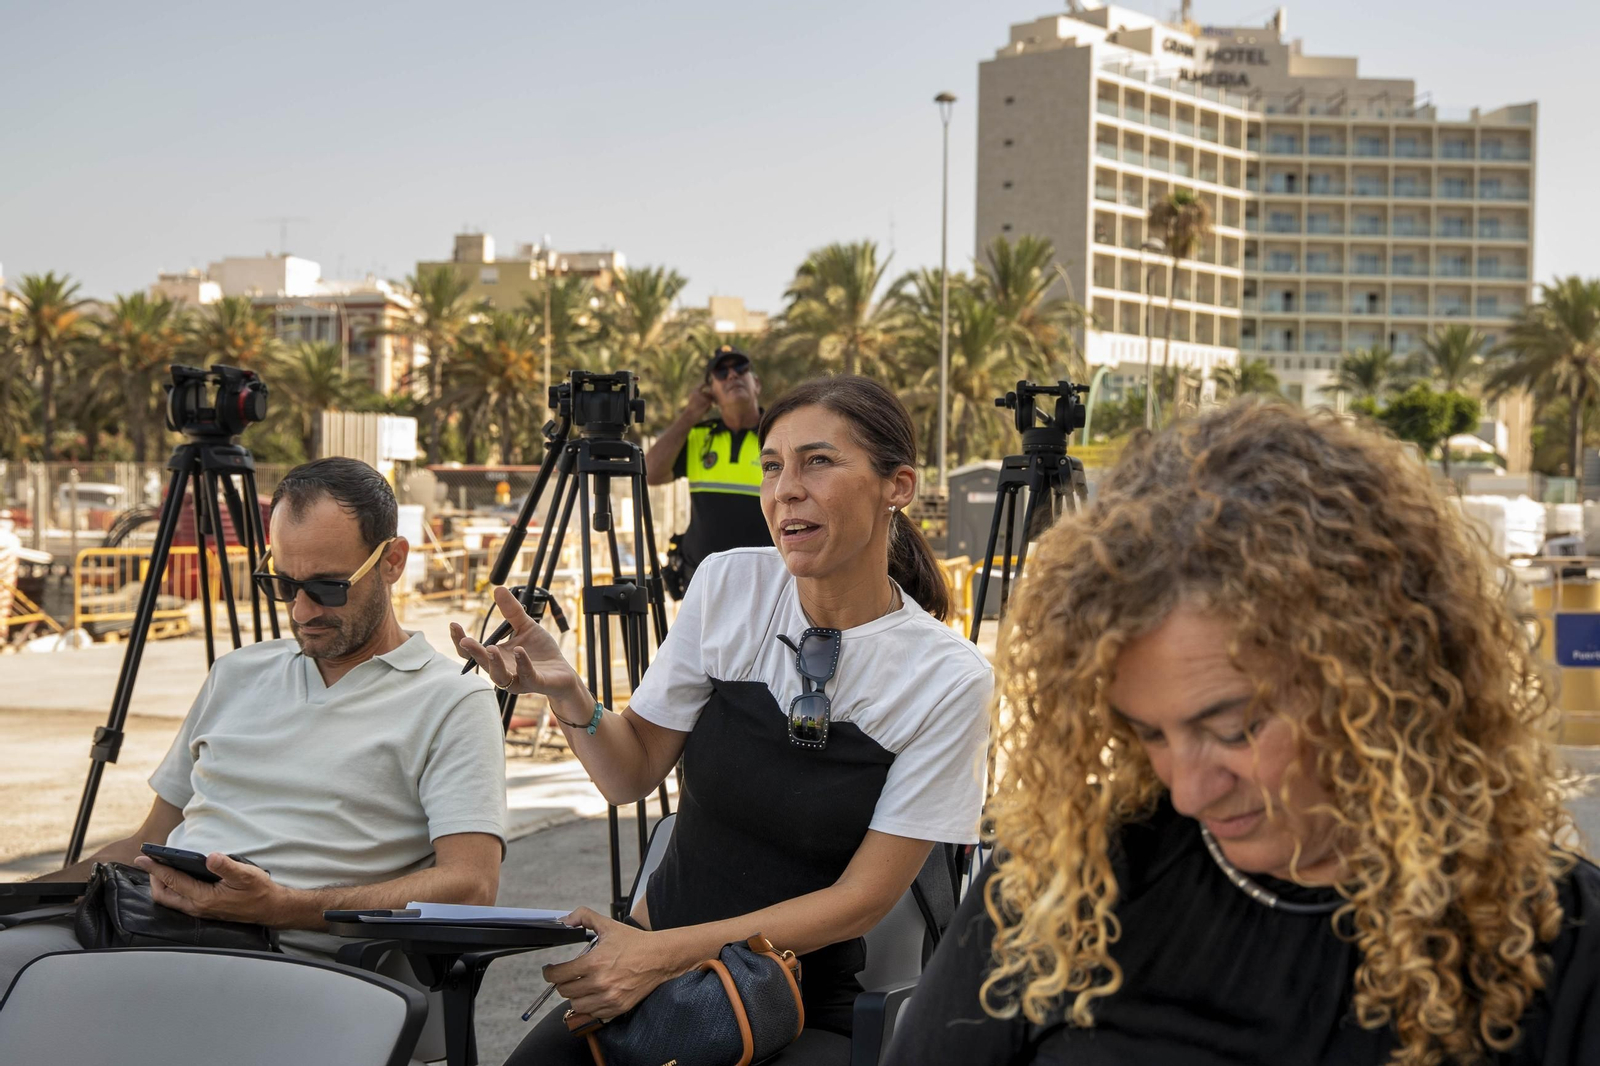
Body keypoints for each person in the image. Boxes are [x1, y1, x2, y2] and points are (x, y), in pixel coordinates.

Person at [886, 401, 1600, 1066]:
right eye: (1150, 735)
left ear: (1379, 680)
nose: (1191, 791)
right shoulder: (1064, 882)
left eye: (1233, 729)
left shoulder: (1552, 941)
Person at [455, 375, 993, 1065]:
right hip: (649, 979)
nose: (784, 489)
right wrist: (570, 696)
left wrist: (655, 954)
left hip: (799, 1004)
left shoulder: (948, 679)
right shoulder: (728, 584)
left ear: (898, 486)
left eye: (818, 462)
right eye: (772, 466)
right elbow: (631, 772)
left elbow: (860, 901)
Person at [0, 457, 507, 988]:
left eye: (329, 587)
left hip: (291, 963)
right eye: (284, 584)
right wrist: (21, 898)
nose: (301, 611)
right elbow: (145, 842)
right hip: (147, 930)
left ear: (392, 561)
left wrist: (284, 907)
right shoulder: (237, 674)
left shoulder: (451, 700)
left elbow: (471, 885)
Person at [644, 344, 770, 591]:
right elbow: (650, 473)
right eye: (721, 373)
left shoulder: (777, 434)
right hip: (703, 583)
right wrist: (690, 414)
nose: (732, 375)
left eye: (740, 368)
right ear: (710, 392)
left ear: (756, 383)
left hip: (766, 582)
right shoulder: (698, 436)